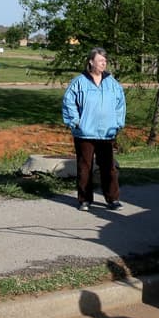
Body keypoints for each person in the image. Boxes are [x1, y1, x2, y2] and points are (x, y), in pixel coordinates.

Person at [62, 47, 126, 212]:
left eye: (105, 61)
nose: (103, 64)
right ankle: (84, 199)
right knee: (85, 167)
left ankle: (113, 199)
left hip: (106, 132)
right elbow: (69, 102)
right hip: (84, 132)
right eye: (100, 61)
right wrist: (75, 121)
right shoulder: (79, 82)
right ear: (91, 62)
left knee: (109, 167)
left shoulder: (112, 83)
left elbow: (120, 104)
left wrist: (118, 123)